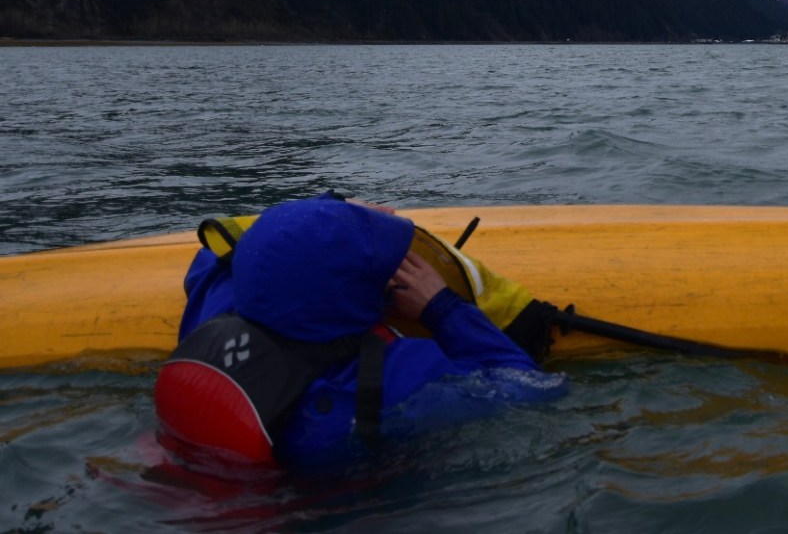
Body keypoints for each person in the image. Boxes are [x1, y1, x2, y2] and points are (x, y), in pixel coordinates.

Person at [154, 192, 567, 468]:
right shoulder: (394, 377)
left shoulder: (215, 307)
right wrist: (441, 308)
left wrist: (328, 212)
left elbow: (211, 256)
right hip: (310, 507)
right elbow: (530, 387)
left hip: (188, 474)